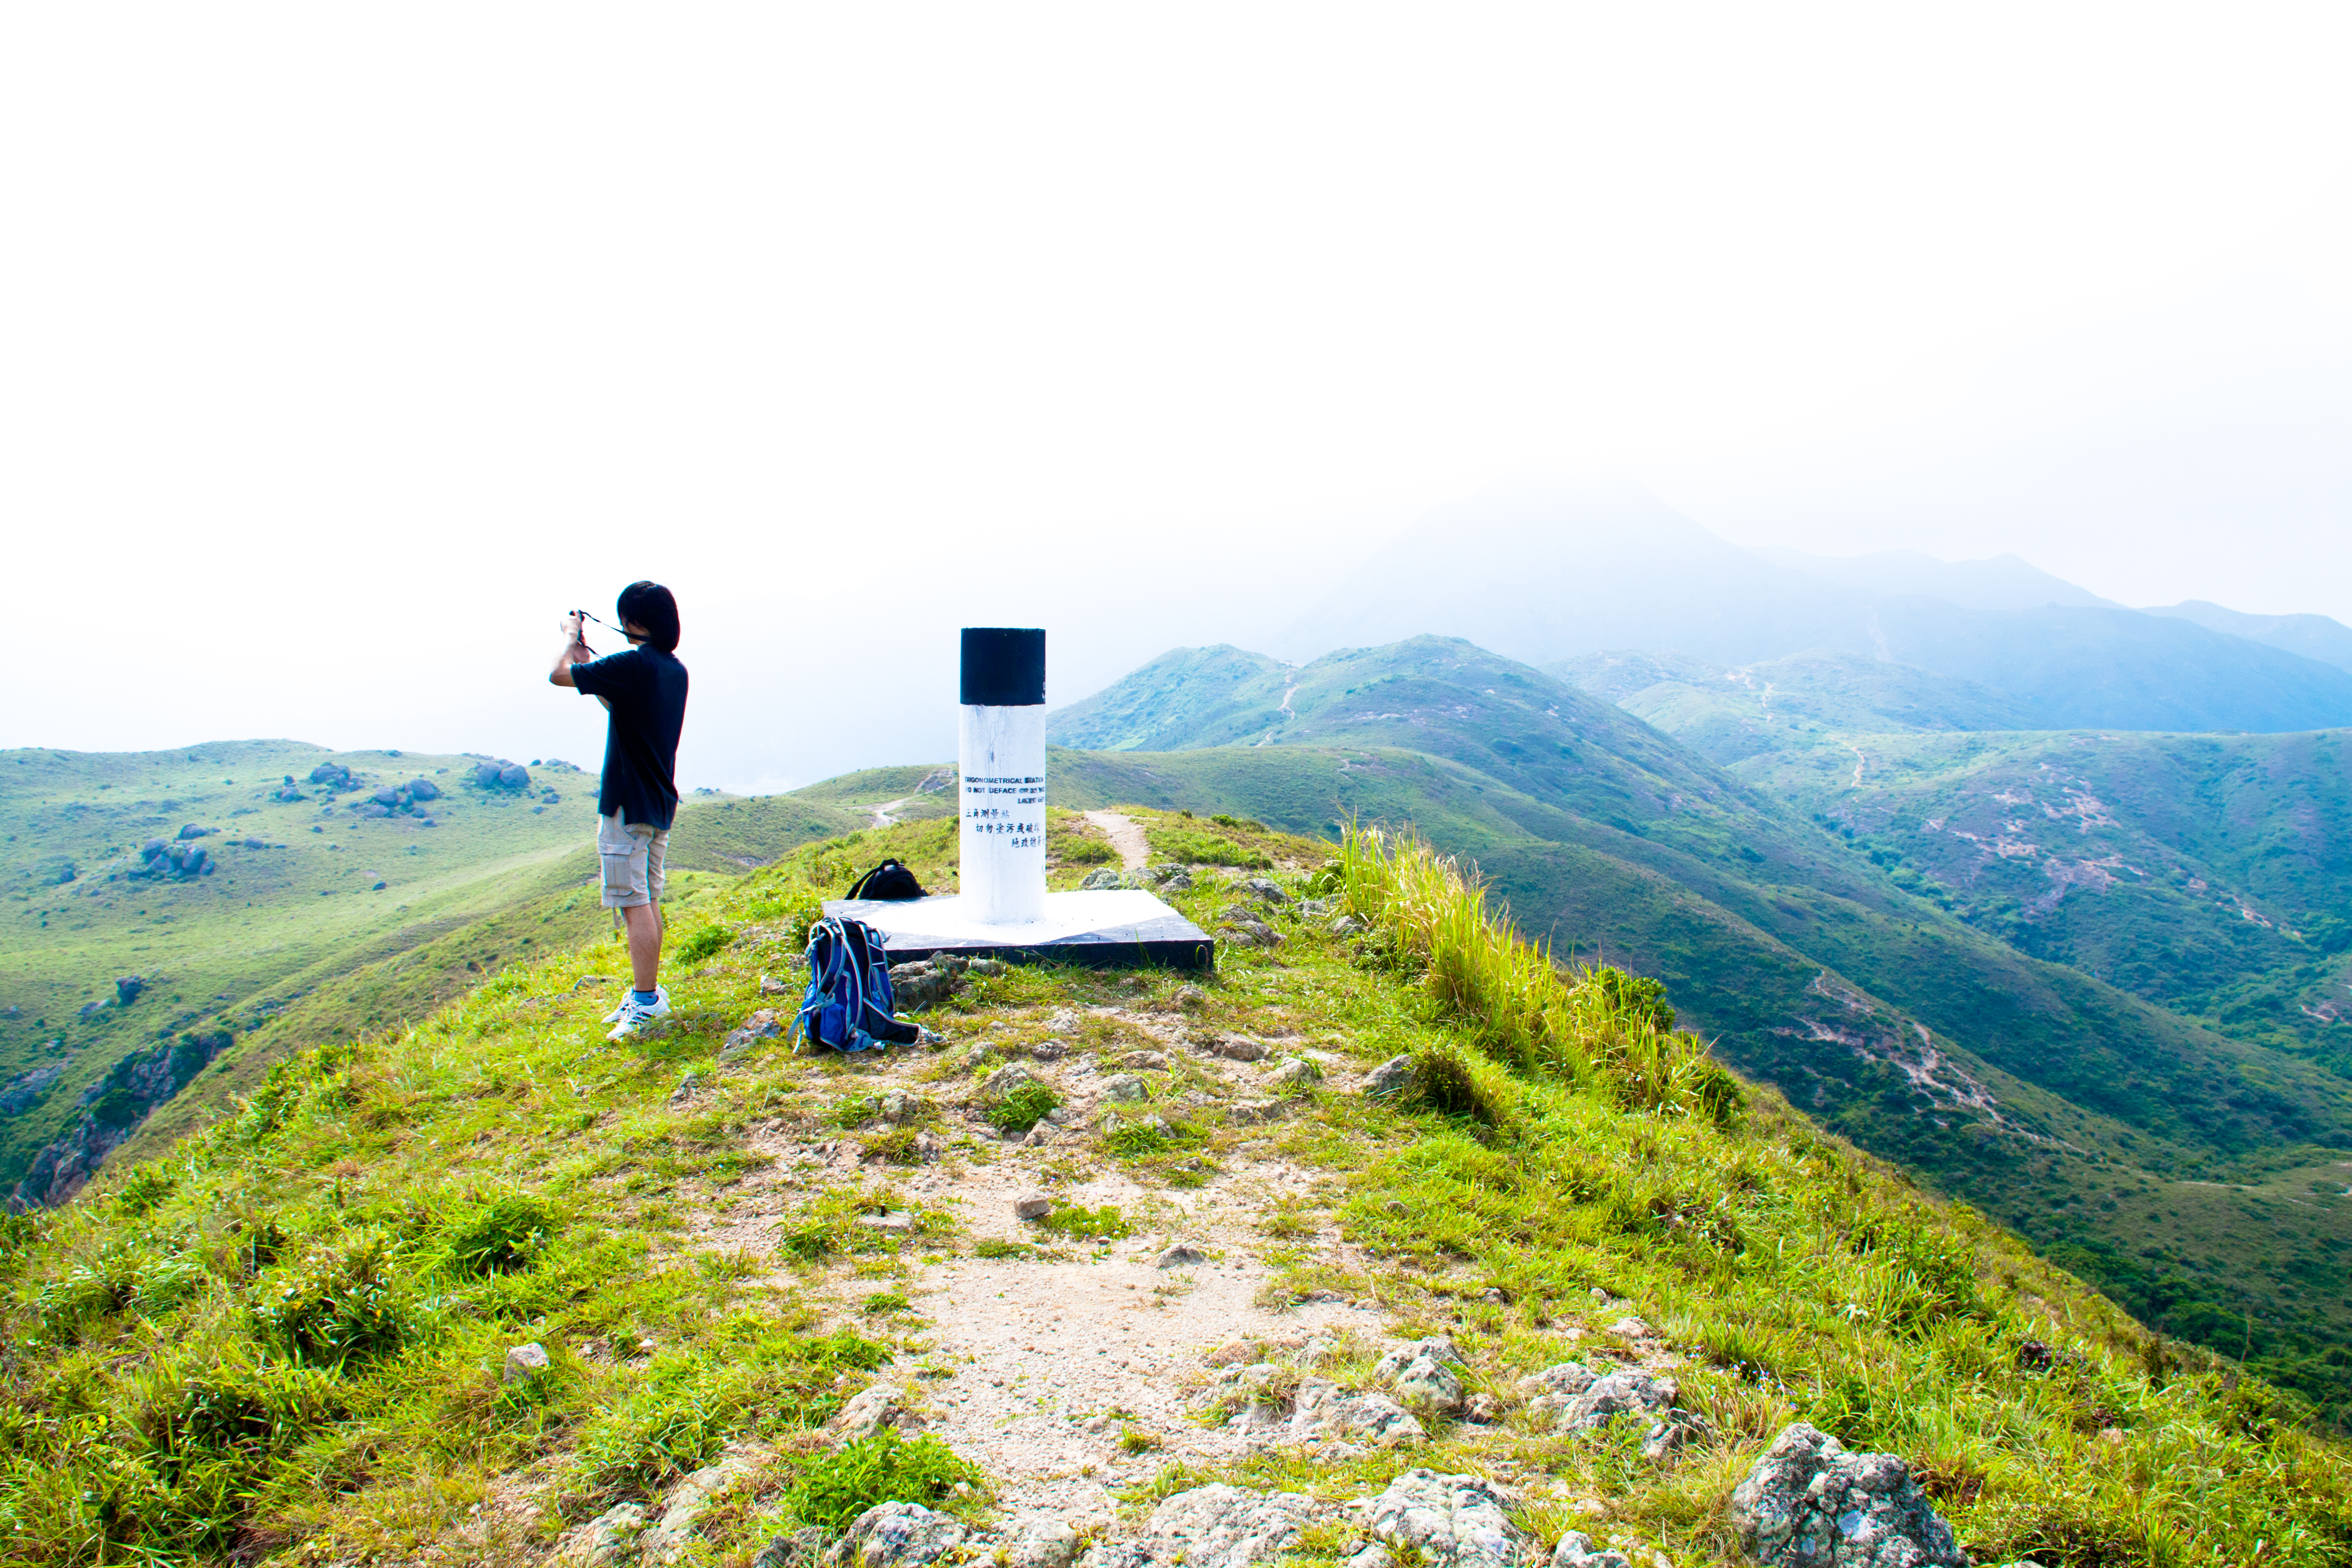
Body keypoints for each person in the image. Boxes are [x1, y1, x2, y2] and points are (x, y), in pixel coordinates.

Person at [550, 582, 689, 1038]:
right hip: (658, 800)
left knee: (633, 905)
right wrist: (591, 658)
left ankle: (647, 1003)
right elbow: (607, 695)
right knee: (647, 900)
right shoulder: (672, 670)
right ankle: (648, 994)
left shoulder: (635, 664)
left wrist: (571, 638)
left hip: (627, 803)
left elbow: (559, 676)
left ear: (633, 621)